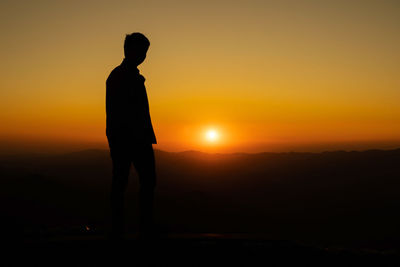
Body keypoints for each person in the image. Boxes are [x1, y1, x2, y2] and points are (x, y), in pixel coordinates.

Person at [105, 32, 157, 239]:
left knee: (132, 183)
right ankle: (129, 229)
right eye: (142, 51)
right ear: (129, 50)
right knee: (127, 183)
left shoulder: (128, 76)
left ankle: (132, 227)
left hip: (134, 139)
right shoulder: (121, 76)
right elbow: (119, 113)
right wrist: (119, 140)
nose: (144, 56)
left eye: (145, 52)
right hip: (129, 140)